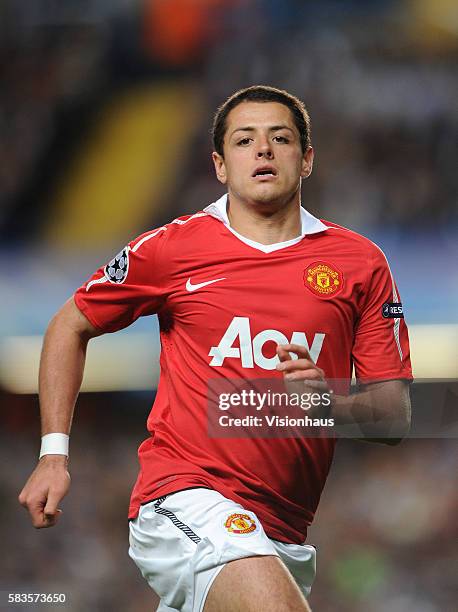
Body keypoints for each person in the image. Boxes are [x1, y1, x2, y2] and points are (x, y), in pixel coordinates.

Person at [19, 85, 412, 612]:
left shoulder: (360, 263)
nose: (264, 150)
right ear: (220, 165)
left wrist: (329, 406)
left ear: (308, 158)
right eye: (244, 140)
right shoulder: (172, 249)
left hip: (282, 531)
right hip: (187, 498)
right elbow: (69, 326)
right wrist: (53, 456)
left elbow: (393, 416)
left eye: (281, 138)